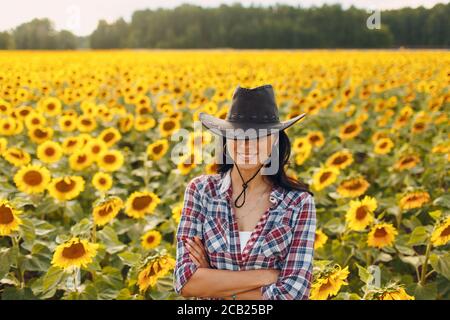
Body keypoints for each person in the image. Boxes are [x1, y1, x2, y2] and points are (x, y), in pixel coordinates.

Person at [173, 84, 316, 300]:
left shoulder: (298, 203)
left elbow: (293, 293)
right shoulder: (201, 192)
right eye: (237, 135)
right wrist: (268, 275)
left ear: (275, 139)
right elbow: (185, 281)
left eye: (258, 136)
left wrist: (214, 284)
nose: (246, 145)